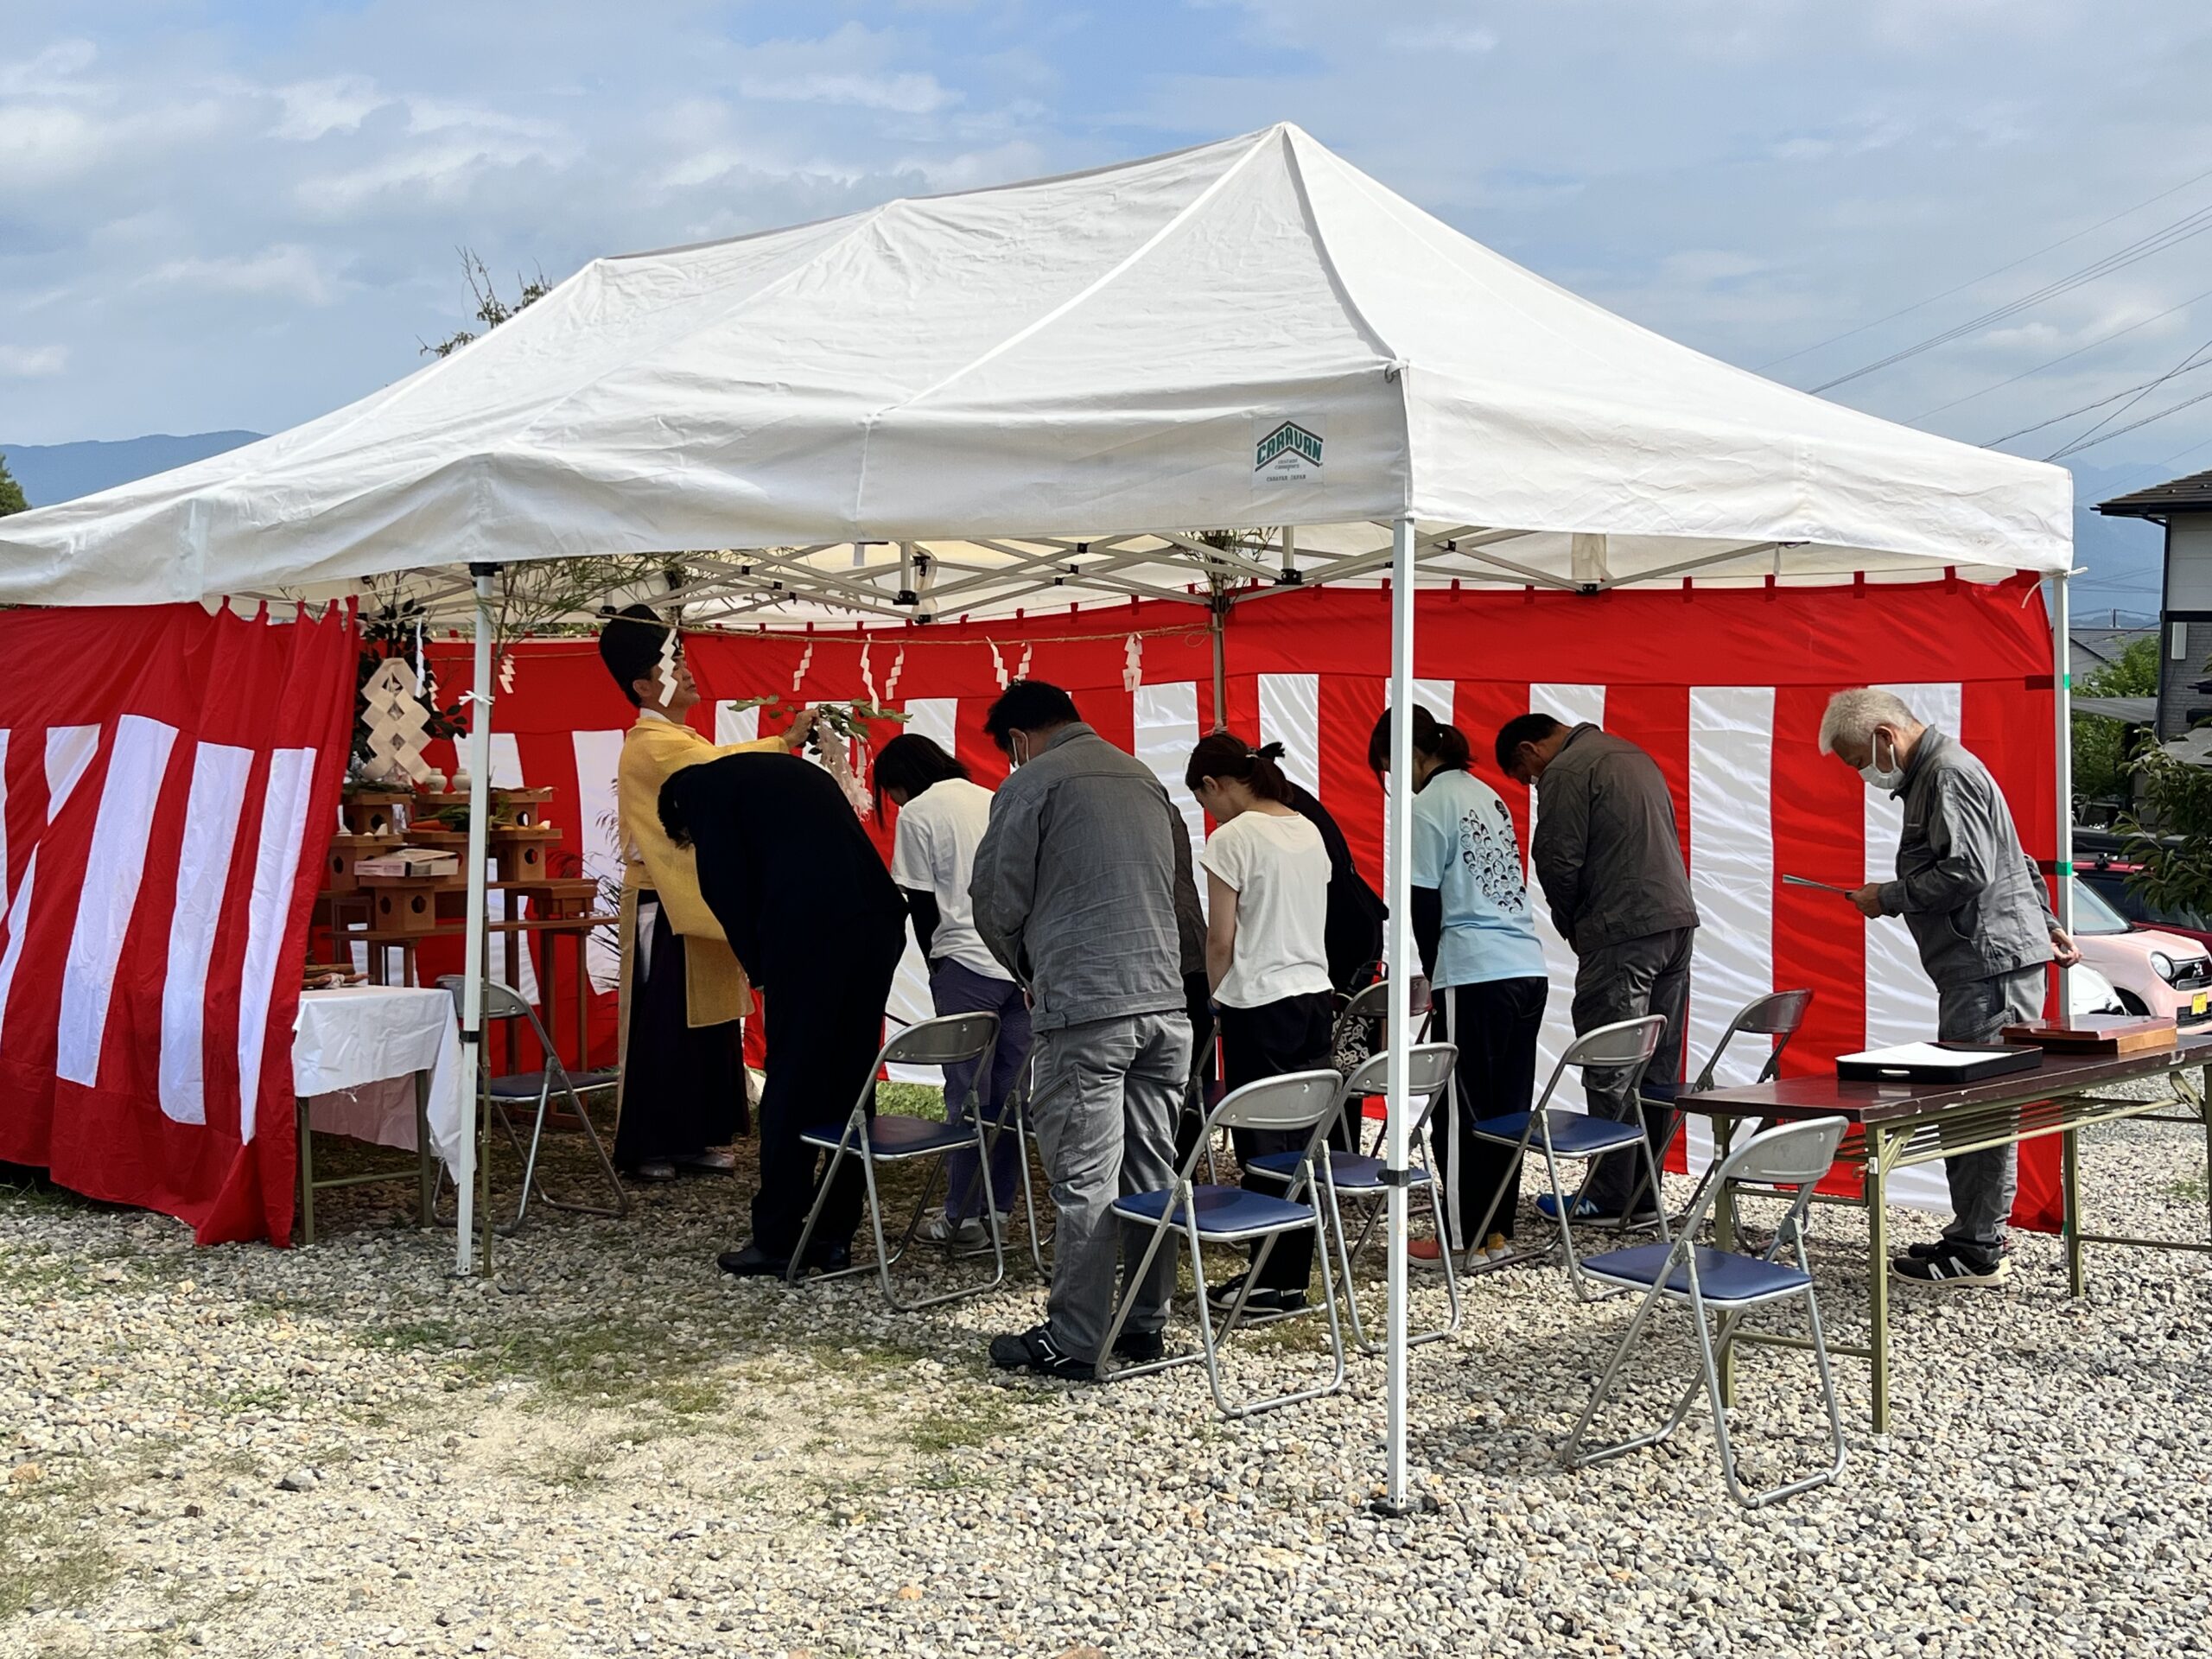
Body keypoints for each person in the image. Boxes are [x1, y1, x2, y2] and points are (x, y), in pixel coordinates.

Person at [969, 680, 1205, 1380]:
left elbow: (995, 899)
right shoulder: (1145, 779)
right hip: (1164, 1004)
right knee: (1150, 1171)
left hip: (1087, 1006)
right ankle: (1144, 1322)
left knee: (1086, 1179)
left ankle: (1075, 1337)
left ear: (1018, 739)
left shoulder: (1032, 783)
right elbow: (1183, 901)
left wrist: (1028, 966)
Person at [1819, 688, 2081, 1288]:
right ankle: (1974, 1234)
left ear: (1885, 735)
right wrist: (2047, 925)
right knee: (1979, 1104)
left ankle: (1977, 1247)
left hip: (1984, 966)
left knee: (1979, 1107)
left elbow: (1968, 872)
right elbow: (2012, 859)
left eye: (1859, 759)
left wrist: (1888, 896)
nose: (1864, 773)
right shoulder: (1953, 767)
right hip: (1993, 957)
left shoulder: (1944, 775)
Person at [658, 747, 907, 1277]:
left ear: (679, 812)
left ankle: (776, 1238)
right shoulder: (785, 774)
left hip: (812, 934)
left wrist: (760, 966)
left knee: (792, 1085)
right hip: (877, 922)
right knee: (852, 1086)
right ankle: (835, 1232)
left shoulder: (698, 791)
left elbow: (723, 884)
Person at [598, 604, 816, 1180]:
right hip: (665, 901)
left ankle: (695, 1135)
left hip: (694, 896)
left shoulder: (676, 735)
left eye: (683, 660)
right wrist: (782, 742)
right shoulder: (650, 743)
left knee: (710, 1023)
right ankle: (650, 1143)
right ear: (643, 686)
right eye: (672, 665)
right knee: (666, 1022)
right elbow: (716, 771)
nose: (687, 672)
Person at [1497, 711, 1700, 1227]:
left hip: (1621, 928)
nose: (1534, 784)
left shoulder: (1568, 770)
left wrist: (1574, 926)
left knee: (1612, 1064)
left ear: (1528, 751)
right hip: (1674, 920)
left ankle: (1611, 1196)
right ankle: (1645, 1193)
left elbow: (1557, 860)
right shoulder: (1633, 753)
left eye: (1527, 779)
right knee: (1658, 1069)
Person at [1371, 707, 1548, 1268]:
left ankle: (1462, 1243)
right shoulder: (1487, 794)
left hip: (1473, 971)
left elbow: (1422, 901)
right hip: (1526, 965)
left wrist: (1434, 965)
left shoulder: (1428, 805)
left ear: (1413, 756)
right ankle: (1497, 1235)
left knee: (1459, 1112)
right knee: (1506, 1111)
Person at [1185, 733, 1335, 1316]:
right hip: (1311, 994)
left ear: (1216, 785)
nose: (1209, 811)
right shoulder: (1306, 827)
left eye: (1205, 798)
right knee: (1300, 1139)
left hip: (1258, 1003)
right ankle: (1290, 1270)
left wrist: (1214, 999)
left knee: (1263, 1143)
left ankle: (1273, 1276)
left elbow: (1220, 940)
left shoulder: (1234, 838)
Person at [874, 734, 1029, 1249]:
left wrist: (936, 964)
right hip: (1016, 962)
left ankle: (961, 1219)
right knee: (1009, 1099)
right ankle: (998, 1214)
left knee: (965, 1096)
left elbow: (921, 904)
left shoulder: (918, 813)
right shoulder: (992, 796)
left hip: (964, 961)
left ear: (900, 782)